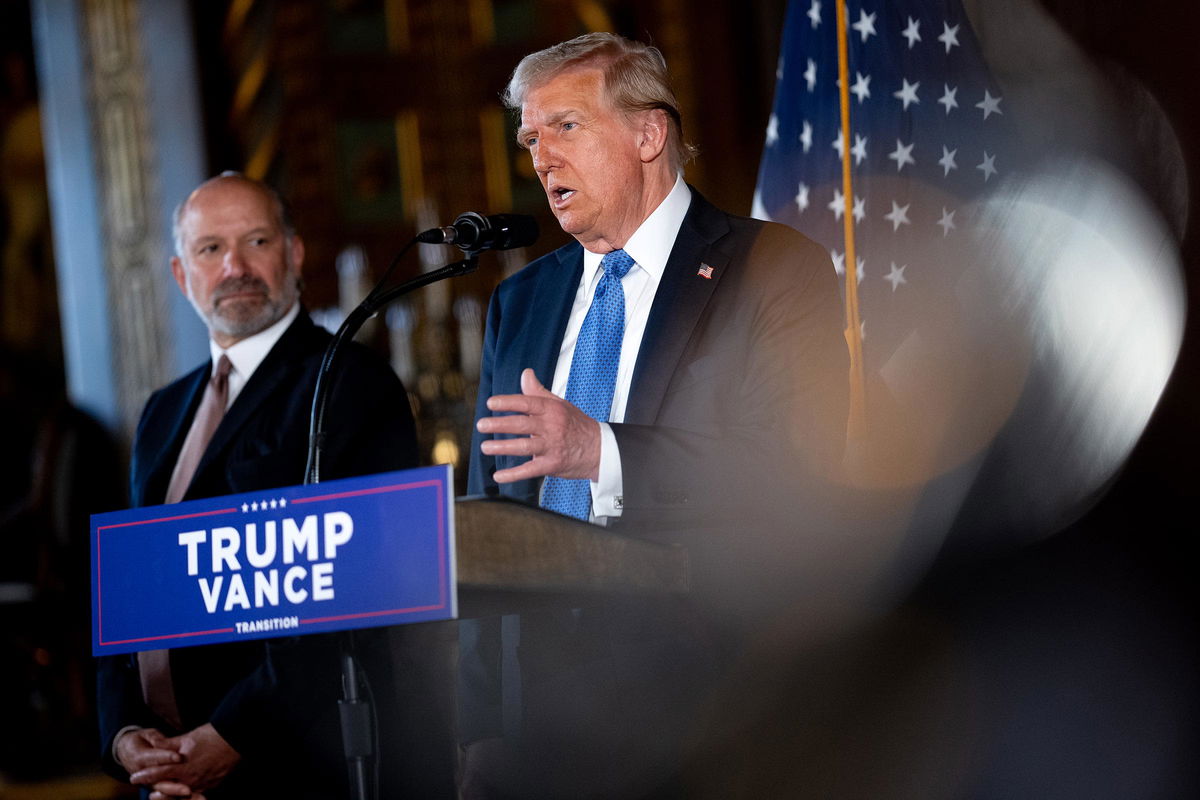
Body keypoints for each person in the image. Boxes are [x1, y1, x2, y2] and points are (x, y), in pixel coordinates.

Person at [462, 33, 848, 797]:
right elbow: (488, 519)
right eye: (530, 140)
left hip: (710, 710)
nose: (541, 159)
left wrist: (601, 452)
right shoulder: (519, 300)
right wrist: (480, 726)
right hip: (536, 734)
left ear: (648, 133)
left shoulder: (770, 270)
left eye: (566, 127)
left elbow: (794, 471)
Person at [95, 173, 435, 799]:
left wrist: (229, 735)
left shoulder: (351, 385)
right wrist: (123, 735)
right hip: (164, 774)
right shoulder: (162, 411)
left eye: (255, 241)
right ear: (180, 273)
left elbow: (348, 596)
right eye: (210, 249)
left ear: (294, 253)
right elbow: (127, 591)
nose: (235, 267)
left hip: (291, 765)